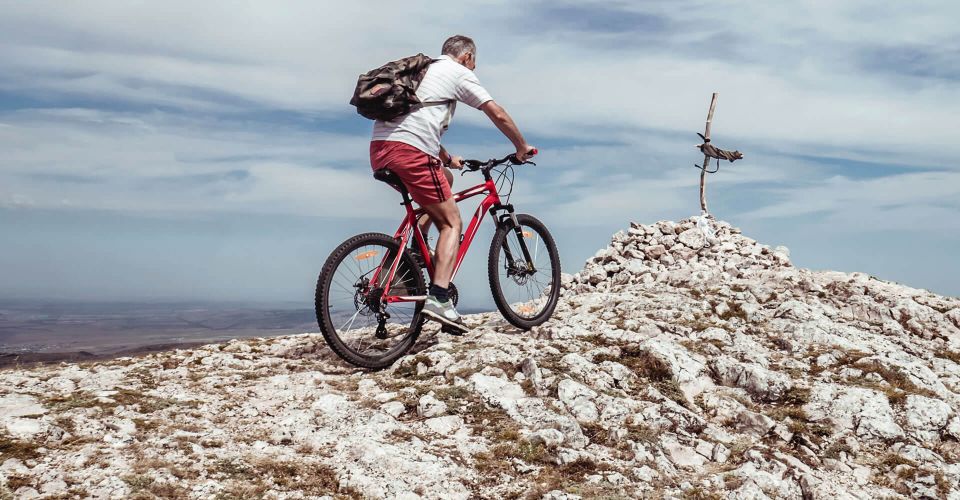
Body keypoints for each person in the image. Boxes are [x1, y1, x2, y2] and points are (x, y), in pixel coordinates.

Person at [369, 34, 535, 333]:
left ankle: (415, 255)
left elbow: (415, 122)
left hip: (382, 151)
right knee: (451, 223)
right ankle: (439, 299)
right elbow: (495, 112)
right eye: (475, 63)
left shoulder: (422, 72)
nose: (474, 68)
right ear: (467, 57)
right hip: (412, 153)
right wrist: (521, 146)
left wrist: (446, 157)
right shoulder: (457, 72)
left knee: (443, 180)